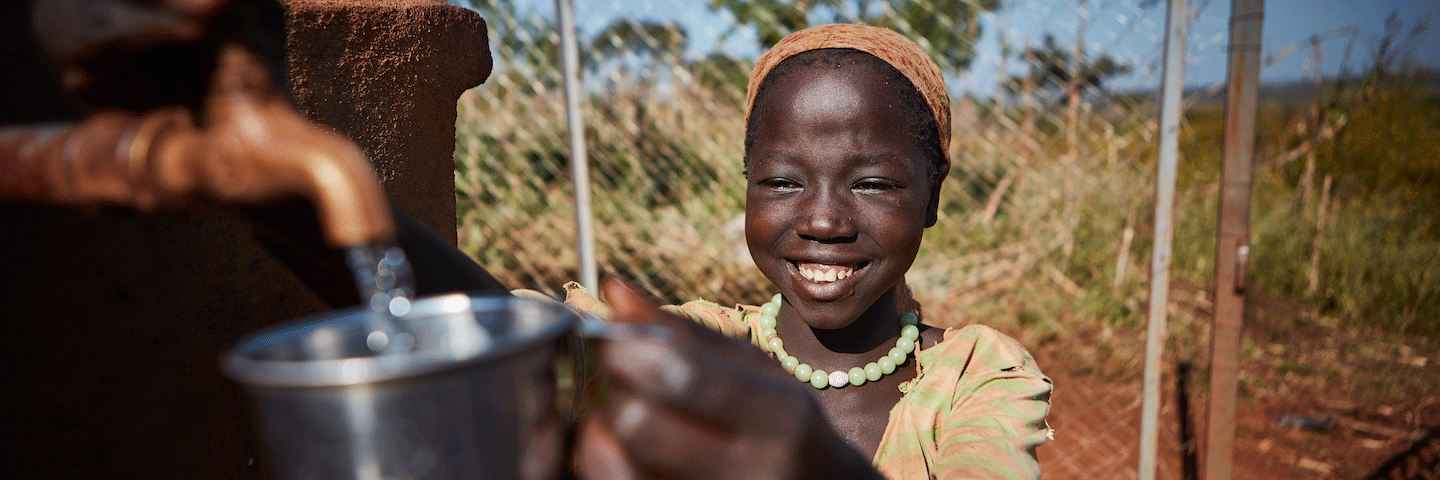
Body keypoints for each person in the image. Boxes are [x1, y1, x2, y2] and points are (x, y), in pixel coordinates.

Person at [540, 23, 1053, 480]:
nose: (823, 221)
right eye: (783, 182)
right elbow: (528, 336)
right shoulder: (699, 348)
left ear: (931, 197)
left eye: (872, 184)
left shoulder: (976, 377)